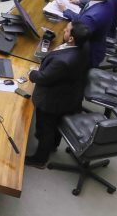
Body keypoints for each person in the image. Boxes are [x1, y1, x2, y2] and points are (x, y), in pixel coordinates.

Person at [25, 21, 91, 168]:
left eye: (67, 30)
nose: (63, 31)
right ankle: (53, 145)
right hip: (70, 94)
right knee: (56, 126)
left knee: (45, 129)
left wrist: (32, 73)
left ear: (72, 38)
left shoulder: (63, 61)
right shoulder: (84, 45)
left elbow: (44, 78)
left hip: (52, 101)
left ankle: (39, 159)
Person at [59, 0, 116, 68]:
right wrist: (79, 1)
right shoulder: (108, 1)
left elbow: (80, 22)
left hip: (89, 53)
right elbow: (91, 3)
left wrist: (66, 10)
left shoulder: (91, 17)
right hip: (100, 43)